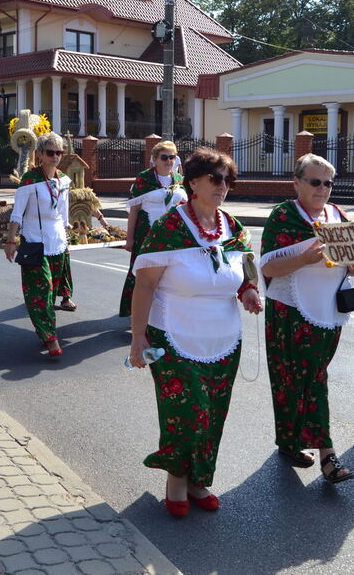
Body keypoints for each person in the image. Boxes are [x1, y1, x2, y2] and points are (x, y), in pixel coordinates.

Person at [127, 147, 262, 517]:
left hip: (223, 339)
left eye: (227, 180)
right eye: (214, 178)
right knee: (186, 413)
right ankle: (176, 478)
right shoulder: (169, 227)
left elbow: (245, 267)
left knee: (213, 413)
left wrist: (248, 290)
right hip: (173, 336)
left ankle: (199, 479)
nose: (222, 186)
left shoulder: (233, 227)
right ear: (194, 183)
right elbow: (145, 285)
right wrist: (138, 337)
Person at [260, 154, 354, 484]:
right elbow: (266, 268)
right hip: (290, 312)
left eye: (328, 183)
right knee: (304, 382)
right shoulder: (284, 216)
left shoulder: (338, 216)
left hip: (329, 313)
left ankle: (290, 442)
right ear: (297, 182)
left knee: (310, 379)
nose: (323, 189)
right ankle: (328, 456)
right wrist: (303, 259)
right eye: (315, 182)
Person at [3, 132, 75, 358]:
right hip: (35, 241)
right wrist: (10, 240)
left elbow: (63, 211)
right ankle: (50, 337)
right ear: (41, 154)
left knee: (51, 294)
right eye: (51, 152)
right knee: (41, 291)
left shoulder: (63, 179)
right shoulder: (30, 180)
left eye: (59, 152)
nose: (55, 157)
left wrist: (67, 232)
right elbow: (17, 213)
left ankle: (45, 330)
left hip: (57, 242)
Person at [119, 140, 187, 317]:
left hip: (173, 237)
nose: (169, 161)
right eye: (164, 157)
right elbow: (134, 210)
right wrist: (129, 238)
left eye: (172, 157)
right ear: (155, 159)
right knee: (143, 275)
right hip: (146, 235)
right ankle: (138, 313)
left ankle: (163, 313)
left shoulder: (179, 179)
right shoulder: (144, 179)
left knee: (169, 275)